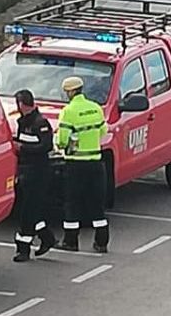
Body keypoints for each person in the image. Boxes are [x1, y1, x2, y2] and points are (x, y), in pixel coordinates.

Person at [55, 76, 110, 253]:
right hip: (96, 163)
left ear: (70, 92)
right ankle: (101, 242)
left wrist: (60, 142)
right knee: (97, 204)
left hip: (75, 164)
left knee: (72, 203)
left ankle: (71, 241)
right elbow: (103, 131)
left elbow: (62, 140)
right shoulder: (95, 108)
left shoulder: (68, 111)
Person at [12, 89, 57, 262]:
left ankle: (23, 249)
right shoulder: (24, 123)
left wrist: (23, 149)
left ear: (22, 104)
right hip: (25, 170)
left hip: (38, 172)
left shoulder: (40, 123)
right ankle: (47, 237)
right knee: (30, 209)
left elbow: (46, 147)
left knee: (28, 211)